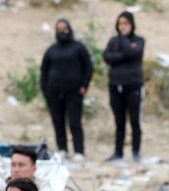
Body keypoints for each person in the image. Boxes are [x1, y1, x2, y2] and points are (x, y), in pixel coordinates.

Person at [41, 19, 94, 160]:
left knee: (74, 122)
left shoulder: (78, 47)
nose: (62, 31)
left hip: (74, 92)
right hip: (54, 92)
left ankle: (79, 151)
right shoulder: (51, 50)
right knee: (58, 121)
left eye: (64, 28)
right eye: (58, 29)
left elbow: (88, 67)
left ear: (69, 29)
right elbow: (44, 71)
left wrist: (84, 85)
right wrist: (45, 90)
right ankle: (62, 149)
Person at [102, 11, 145, 163]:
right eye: (120, 23)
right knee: (119, 122)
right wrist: (125, 53)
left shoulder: (139, 40)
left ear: (132, 24)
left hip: (133, 87)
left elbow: (134, 53)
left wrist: (124, 41)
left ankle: (135, 151)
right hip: (115, 86)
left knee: (135, 122)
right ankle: (118, 152)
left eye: (126, 23)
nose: (123, 26)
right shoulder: (113, 40)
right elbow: (107, 57)